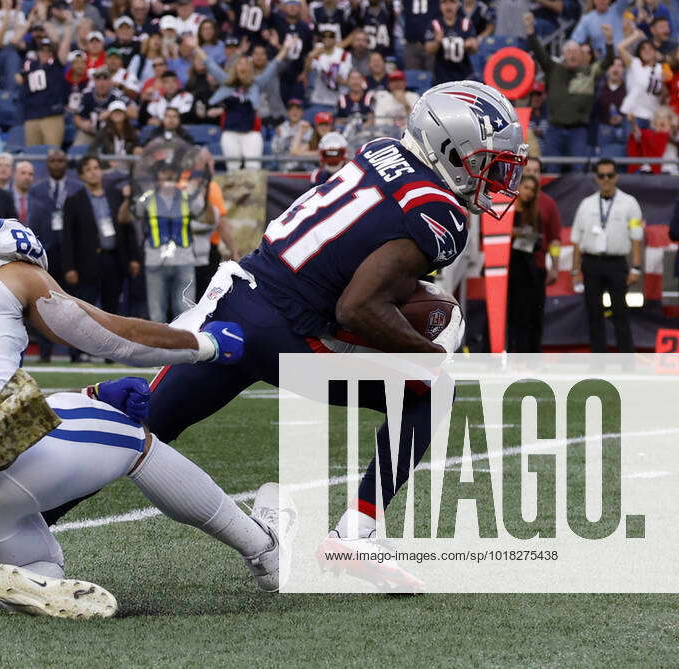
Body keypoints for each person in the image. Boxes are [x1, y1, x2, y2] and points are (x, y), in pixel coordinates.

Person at [135, 80, 526, 591]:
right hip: (288, 332)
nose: (496, 178)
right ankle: (356, 533)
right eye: (489, 163)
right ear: (451, 151)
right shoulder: (442, 215)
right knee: (432, 389)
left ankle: (14, 534)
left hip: (235, 302)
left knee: (133, 429)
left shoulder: (379, 151)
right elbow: (360, 306)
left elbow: (351, 266)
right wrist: (429, 352)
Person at [0, 189, 280, 618]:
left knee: (40, 564)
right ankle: (266, 551)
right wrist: (201, 345)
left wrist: (86, 396)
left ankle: (20, 582)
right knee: (133, 437)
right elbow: (110, 334)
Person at [570, 158, 643, 353]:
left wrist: (636, 267)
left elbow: (637, 238)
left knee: (620, 313)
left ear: (616, 177)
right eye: (602, 176)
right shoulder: (586, 204)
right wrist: (575, 270)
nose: (606, 179)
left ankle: (626, 361)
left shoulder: (629, 203)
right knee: (594, 313)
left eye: (610, 175)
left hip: (616, 263)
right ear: (596, 178)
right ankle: (598, 363)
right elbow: (577, 239)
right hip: (591, 263)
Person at [526, 14, 614, 172]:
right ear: (564, 55)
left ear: (581, 55)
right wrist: (530, 30)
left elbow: (608, 62)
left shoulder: (590, 71)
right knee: (551, 169)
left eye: (576, 51)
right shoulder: (553, 68)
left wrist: (608, 42)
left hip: (578, 130)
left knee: (578, 169)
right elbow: (539, 53)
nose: (572, 54)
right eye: (569, 51)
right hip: (554, 129)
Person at [62, 156, 139, 330]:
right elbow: (68, 237)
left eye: (96, 168)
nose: (93, 172)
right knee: (84, 309)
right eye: (88, 169)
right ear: (81, 175)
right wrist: (69, 267)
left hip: (113, 259)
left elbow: (127, 229)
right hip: (86, 262)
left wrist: (133, 257)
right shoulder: (74, 200)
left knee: (112, 308)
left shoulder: (115, 195)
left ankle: (111, 353)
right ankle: (79, 352)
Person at [120, 160, 202, 323]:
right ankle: (160, 348)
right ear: (157, 177)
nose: (168, 176)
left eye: (171, 172)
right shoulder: (147, 198)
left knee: (186, 311)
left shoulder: (187, 197)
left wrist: (204, 195)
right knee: (157, 313)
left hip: (183, 259)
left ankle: (185, 347)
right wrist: (128, 199)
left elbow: (208, 219)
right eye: (164, 172)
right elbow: (124, 219)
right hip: (155, 260)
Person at [202, 38, 291, 170]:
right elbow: (210, 65)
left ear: (250, 68)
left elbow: (273, 66)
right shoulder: (227, 83)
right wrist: (195, 48)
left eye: (246, 64)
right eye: (240, 64)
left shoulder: (256, 84)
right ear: (235, 67)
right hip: (230, 132)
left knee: (253, 167)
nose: (243, 67)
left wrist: (286, 48)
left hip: (251, 132)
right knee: (233, 167)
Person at [27, 148, 81, 361]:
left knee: (74, 306)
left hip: (70, 254)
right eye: (53, 161)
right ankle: (45, 352)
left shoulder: (77, 188)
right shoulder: (37, 189)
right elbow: (33, 220)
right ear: (47, 164)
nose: (57, 164)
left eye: (61, 160)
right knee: (43, 303)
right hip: (46, 251)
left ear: (66, 163)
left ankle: (76, 354)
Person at [507, 175, 561, 352]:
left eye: (532, 189)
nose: (529, 193)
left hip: (530, 268)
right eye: (526, 188)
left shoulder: (539, 210)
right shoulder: (505, 208)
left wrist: (554, 266)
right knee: (506, 314)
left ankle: (528, 356)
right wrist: (514, 233)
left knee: (529, 316)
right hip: (508, 268)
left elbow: (553, 239)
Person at [425, 0, 478, 86]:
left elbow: (474, 49)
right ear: (440, 6)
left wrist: (470, 45)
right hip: (441, 76)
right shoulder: (435, 25)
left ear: (457, 5)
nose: (448, 6)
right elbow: (428, 49)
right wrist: (437, 42)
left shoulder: (466, 24)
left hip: (464, 75)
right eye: (444, 2)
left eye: (452, 2)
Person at [10, 160, 34, 225]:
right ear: (14, 175)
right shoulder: (5, 197)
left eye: (30, 174)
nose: (27, 177)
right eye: (23, 173)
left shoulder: (37, 199)